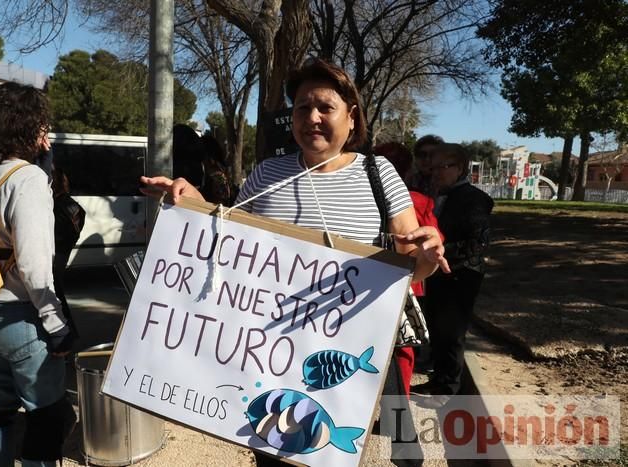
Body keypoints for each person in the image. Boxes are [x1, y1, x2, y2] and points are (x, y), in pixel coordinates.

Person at [142, 58, 449, 466]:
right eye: (303, 108)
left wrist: (426, 256)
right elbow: (231, 237)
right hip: (280, 349)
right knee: (278, 453)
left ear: (352, 118)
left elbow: (413, 262)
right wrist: (191, 202)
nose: (313, 118)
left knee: (400, 452)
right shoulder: (268, 173)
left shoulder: (379, 173)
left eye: (325, 107)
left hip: (365, 347)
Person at [0, 82, 76, 467]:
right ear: (26, 126)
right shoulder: (27, 180)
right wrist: (56, 323)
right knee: (45, 421)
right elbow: (33, 264)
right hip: (20, 317)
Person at [411, 143, 493, 408]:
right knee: (437, 327)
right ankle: (439, 379)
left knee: (452, 331)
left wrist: (440, 250)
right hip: (438, 272)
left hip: (461, 275)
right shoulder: (436, 195)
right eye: (432, 168)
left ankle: (449, 387)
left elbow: (477, 243)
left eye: (442, 167)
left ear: (460, 168)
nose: (435, 173)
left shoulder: (475, 199)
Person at [372, 141, 443, 396]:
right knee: (402, 347)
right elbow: (433, 237)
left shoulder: (361, 191)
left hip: (369, 280)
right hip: (410, 282)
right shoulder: (420, 200)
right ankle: (396, 413)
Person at [52, 166, 85, 338]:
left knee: (55, 294)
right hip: (63, 252)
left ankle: (67, 334)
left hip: (54, 253)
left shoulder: (54, 206)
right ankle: (69, 333)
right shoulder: (75, 207)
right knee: (57, 292)